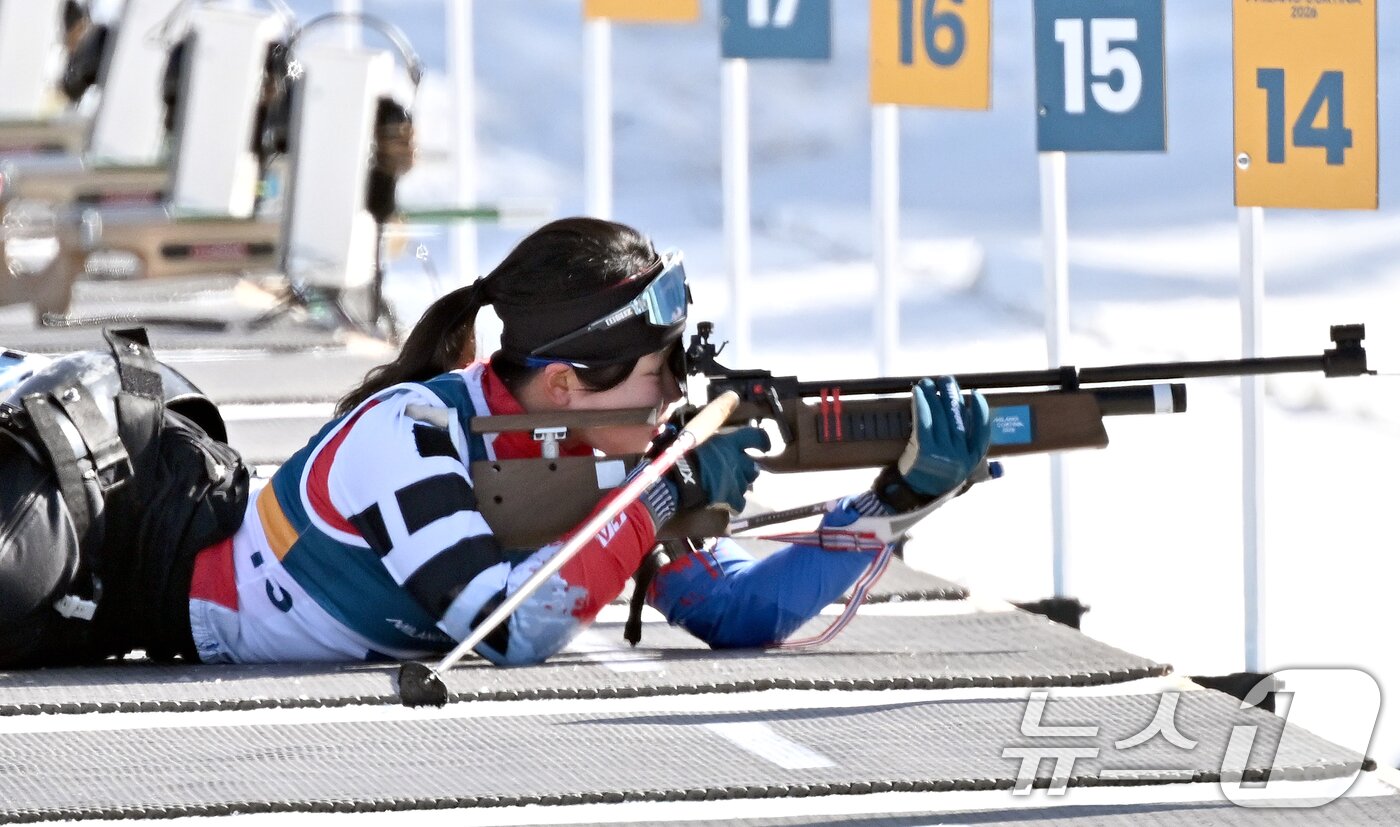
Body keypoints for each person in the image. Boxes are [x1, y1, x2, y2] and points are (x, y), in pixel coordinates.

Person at [0, 217, 991, 668]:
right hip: (136, 587)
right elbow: (504, 627)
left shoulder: (596, 466)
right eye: (660, 374)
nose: (678, 397)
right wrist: (658, 490)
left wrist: (893, 503)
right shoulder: (409, 434)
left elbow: (735, 612)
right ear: (563, 384)